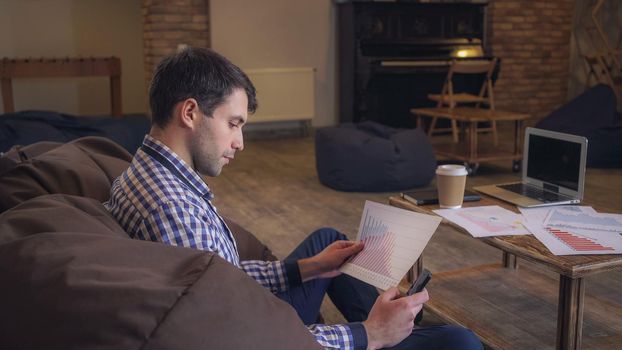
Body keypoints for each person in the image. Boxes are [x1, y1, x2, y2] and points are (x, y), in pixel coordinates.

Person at [105, 47, 483, 350]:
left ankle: (392, 328)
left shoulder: (146, 172)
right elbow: (243, 336)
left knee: (326, 241)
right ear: (190, 112)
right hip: (265, 329)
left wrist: (304, 269)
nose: (240, 142)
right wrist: (367, 335)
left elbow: (218, 275)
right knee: (460, 341)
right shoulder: (175, 210)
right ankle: (390, 333)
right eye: (233, 124)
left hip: (250, 308)